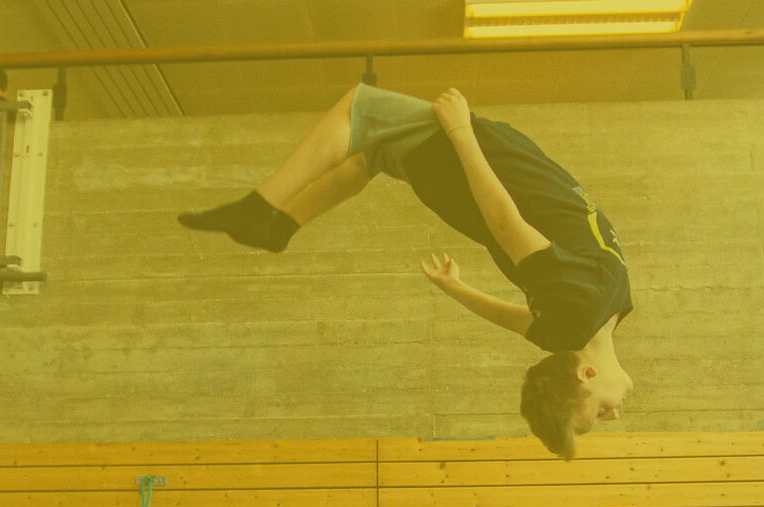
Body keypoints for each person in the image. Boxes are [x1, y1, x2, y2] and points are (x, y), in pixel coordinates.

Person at [178, 83, 633, 460]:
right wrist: (456, 288)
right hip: (473, 174)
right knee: (369, 156)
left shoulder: (581, 306)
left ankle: (261, 208)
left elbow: (504, 222)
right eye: (601, 414)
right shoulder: (582, 325)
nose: (614, 413)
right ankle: (284, 224)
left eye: (600, 413)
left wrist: (461, 133)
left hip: (472, 163)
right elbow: (510, 318)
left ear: (586, 375)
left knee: (357, 107)